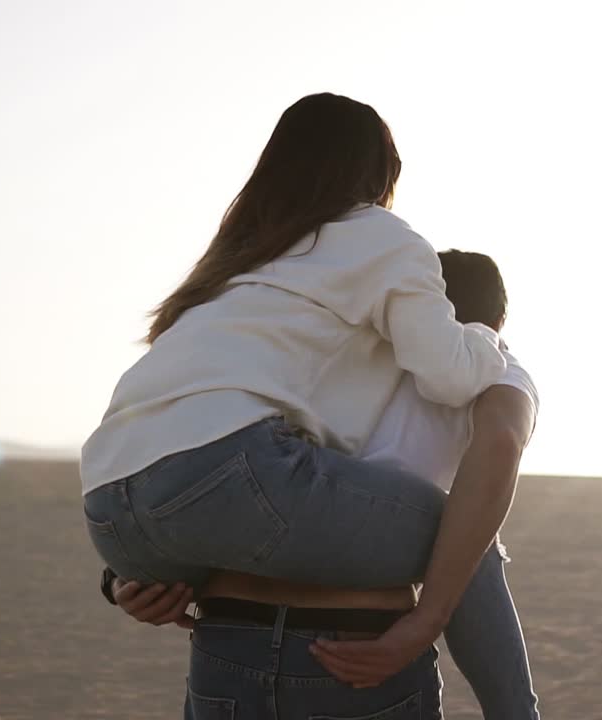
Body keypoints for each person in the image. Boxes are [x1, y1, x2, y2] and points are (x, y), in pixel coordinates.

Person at [81, 93, 532, 716]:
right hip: (235, 480)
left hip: (112, 508)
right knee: (463, 529)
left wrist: (126, 577)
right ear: (379, 172)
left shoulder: (243, 262)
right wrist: (482, 338)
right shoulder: (380, 238)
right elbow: (452, 378)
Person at [109, 251, 540, 718]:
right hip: (357, 644)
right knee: (468, 526)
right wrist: (425, 622)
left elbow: (210, 456)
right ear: (498, 321)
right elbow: (501, 442)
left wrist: (128, 576)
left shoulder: (326, 346)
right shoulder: (493, 362)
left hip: (229, 638)